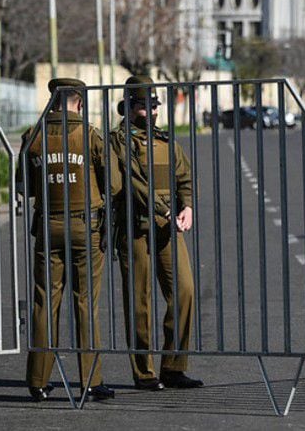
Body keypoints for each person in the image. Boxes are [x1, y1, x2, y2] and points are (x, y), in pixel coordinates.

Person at [19, 77, 149, 403]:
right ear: (79, 101)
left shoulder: (32, 136)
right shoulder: (89, 136)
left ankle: (38, 380)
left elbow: (25, 186)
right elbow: (115, 185)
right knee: (85, 302)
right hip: (85, 228)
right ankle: (90, 381)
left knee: (44, 301)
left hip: (47, 227)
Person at [110, 75, 203, 391]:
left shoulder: (166, 142)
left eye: (154, 105)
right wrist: (163, 208)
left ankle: (174, 367)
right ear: (130, 107)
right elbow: (132, 183)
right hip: (135, 228)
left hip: (167, 230)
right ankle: (144, 372)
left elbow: (184, 177)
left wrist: (187, 206)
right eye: (145, 105)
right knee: (140, 301)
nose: (151, 111)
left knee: (185, 290)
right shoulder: (118, 142)